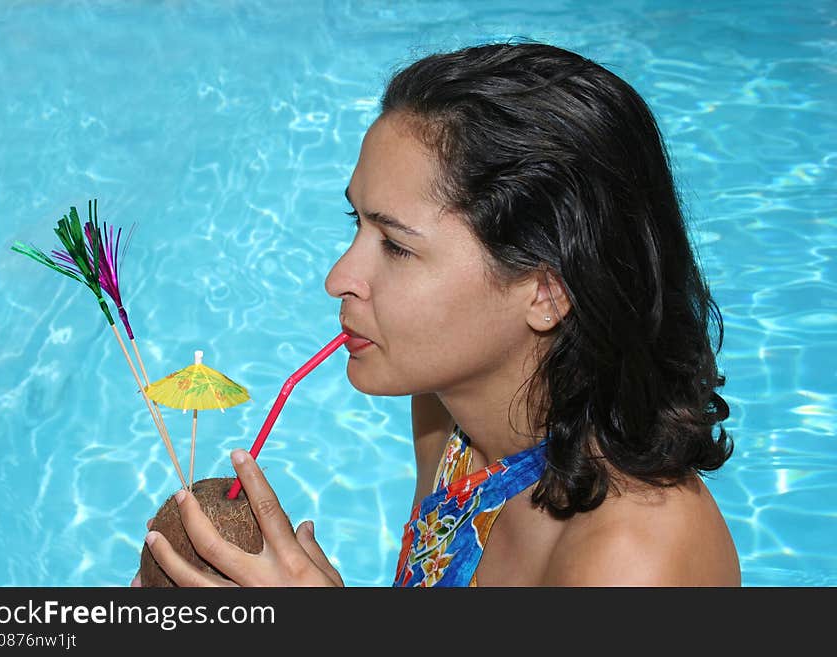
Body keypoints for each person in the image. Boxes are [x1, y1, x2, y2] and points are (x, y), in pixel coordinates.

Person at [134, 41, 740, 587]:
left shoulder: (635, 560)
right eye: (358, 224)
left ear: (546, 291)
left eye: (395, 245)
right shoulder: (449, 419)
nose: (338, 279)